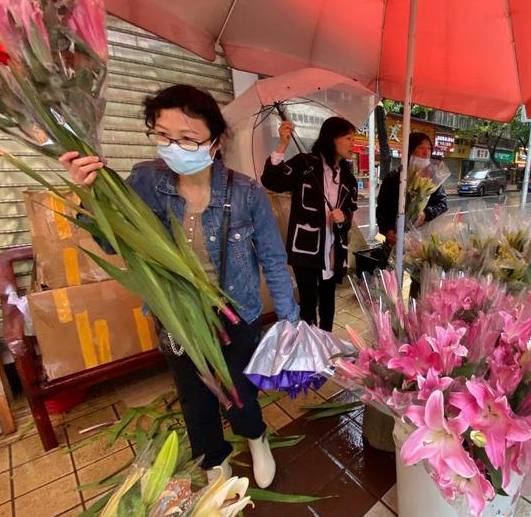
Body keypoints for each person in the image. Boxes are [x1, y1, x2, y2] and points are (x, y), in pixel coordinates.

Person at [59, 84, 299, 488]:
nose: (173, 147)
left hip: (234, 310)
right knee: (194, 394)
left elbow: (274, 260)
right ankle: (213, 460)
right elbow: (109, 242)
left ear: (215, 140)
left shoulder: (246, 192)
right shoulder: (145, 180)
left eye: (187, 138)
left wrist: (291, 320)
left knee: (239, 384)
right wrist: (90, 196)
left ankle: (256, 438)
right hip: (176, 314)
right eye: (163, 135)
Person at [262, 117, 359, 332]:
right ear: (331, 138)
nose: (353, 143)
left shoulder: (349, 178)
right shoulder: (304, 164)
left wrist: (343, 217)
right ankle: (308, 344)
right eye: (348, 138)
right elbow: (272, 181)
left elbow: (350, 211)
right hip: (306, 246)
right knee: (307, 301)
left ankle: (326, 339)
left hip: (334, 248)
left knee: (328, 299)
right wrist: (282, 146)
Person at [376, 132, 449, 248]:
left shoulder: (433, 178)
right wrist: (388, 231)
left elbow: (442, 203)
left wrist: (425, 214)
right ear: (410, 150)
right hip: (395, 238)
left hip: (423, 238)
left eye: (429, 149)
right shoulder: (393, 177)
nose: (426, 153)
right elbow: (382, 209)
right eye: (421, 148)